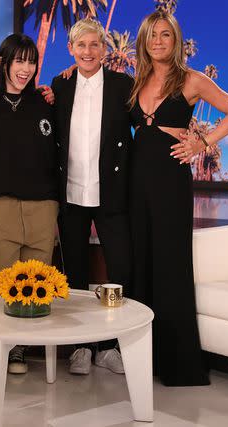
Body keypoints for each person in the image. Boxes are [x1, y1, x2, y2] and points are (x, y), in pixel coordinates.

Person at [129, 11, 228, 386]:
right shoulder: (138, 79)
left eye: (166, 34)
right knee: (141, 263)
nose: (159, 41)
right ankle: (141, 360)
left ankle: (178, 364)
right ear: (145, 41)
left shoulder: (192, 80)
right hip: (136, 181)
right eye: (152, 35)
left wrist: (202, 142)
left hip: (169, 182)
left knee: (169, 265)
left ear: (175, 40)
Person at [51, 18, 134, 376]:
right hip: (70, 191)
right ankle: (81, 345)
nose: (87, 51)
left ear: (104, 50)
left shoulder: (122, 85)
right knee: (76, 271)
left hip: (110, 192)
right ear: (71, 50)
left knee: (118, 268)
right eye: (80, 46)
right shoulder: (61, 83)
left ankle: (110, 344)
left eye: (94, 45)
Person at [0, 34, 59, 374]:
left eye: (31, 61)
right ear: (3, 62)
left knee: (32, 286)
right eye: (19, 61)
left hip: (42, 207)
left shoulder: (45, 104)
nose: (25, 69)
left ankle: (19, 349)